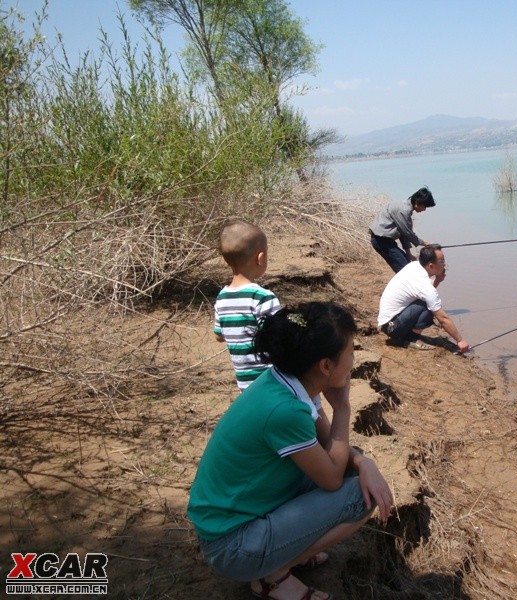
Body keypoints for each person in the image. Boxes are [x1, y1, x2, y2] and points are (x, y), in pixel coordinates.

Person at [188, 302, 394, 600]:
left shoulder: (287, 383)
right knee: (359, 499)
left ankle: (283, 553)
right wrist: (343, 408)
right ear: (325, 365)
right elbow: (332, 480)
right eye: (350, 351)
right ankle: (275, 573)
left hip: (241, 515)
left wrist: (363, 461)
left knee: (354, 469)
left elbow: (330, 447)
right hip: (232, 546)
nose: (353, 359)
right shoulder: (286, 411)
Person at [214, 220, 281, 391]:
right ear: (260, 258)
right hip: (271, 379)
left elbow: (219, 336)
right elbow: (278, 338)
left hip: (245, 384)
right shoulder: (263, 297)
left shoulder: (222, 298)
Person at [377, 244, 470, 353]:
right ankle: (411, 338)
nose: (444, 265)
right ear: (431, 266)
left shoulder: (415, 266)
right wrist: (460, 340)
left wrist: (437, 280)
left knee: (428, 301)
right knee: (432, 307)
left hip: (387, 323)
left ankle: (409, 334)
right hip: (393, 327)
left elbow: (423, 291)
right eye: (442, 262)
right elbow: (443, 319)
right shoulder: (424, 286)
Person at [369, 186, 436, 273]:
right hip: (381, 240)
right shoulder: (404, 210)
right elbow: (407, 233)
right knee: (405, 271)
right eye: (424, 206)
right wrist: (423, 242)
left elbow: (403, 234)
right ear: (417, 202)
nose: (424, 209)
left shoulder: (405, 208)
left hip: (386, 241)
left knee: (407, 265)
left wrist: (409, 254)